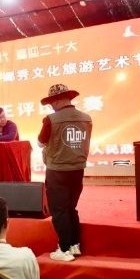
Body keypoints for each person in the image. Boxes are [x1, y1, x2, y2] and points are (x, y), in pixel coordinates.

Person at [38, 84, 92, 261]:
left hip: (57, 170)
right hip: (78, 168)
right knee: (70, 208)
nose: (51, 106)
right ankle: (75, 245)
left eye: (51, 103)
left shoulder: (51, 119)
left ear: (56, 100)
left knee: (59, 210)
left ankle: (64, 249)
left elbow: (40, 142)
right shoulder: (86, 118)